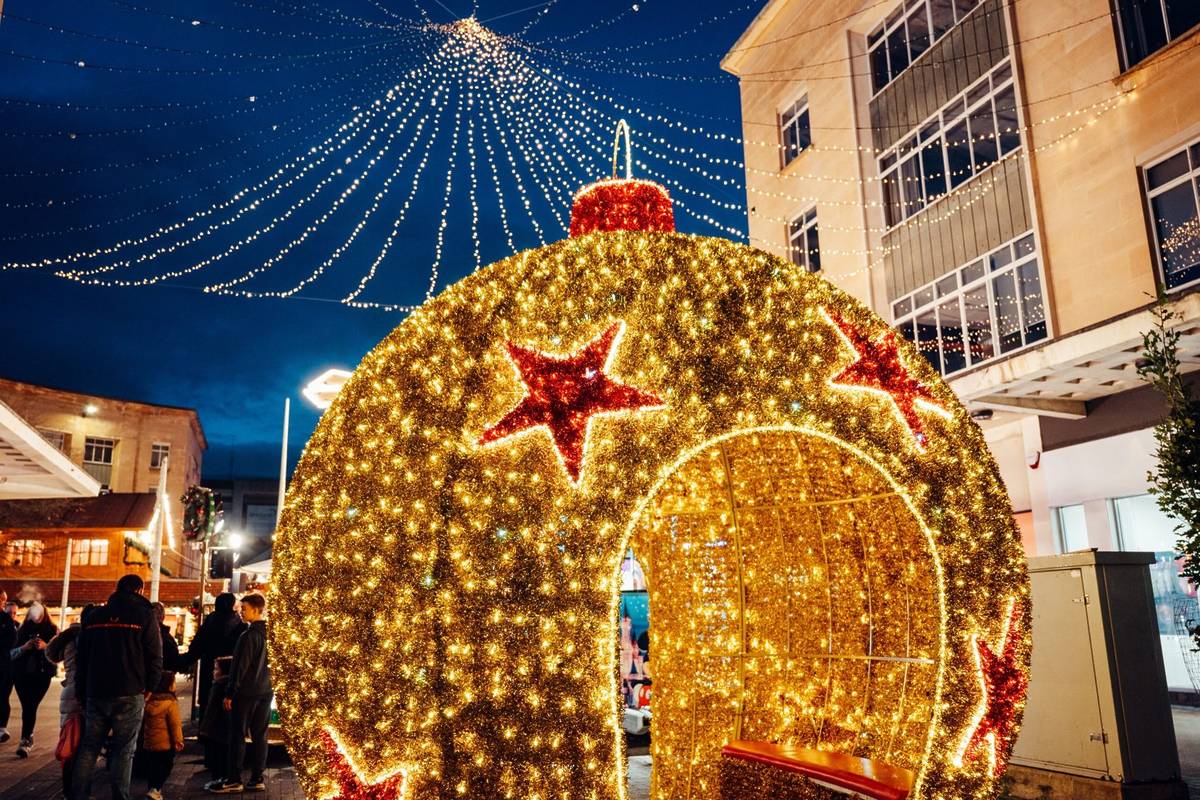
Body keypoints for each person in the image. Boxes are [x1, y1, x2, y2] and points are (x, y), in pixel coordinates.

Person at [72, 574, 162, 800]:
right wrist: (150, 687)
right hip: (130, 691)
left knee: (89, 747)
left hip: (96, 690)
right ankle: (120, 797)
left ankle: (78, 795)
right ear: (140, 591)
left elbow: (82, 658)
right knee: (124, 751)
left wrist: (81, 691)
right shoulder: (144, 615)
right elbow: (155, 656)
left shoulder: (94, 616)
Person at [205, 593, 270, 794]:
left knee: (237, 735)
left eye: (245, 608)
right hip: (265, 691)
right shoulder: (271, 634)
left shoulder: (248, 635)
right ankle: (257, 778)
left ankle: (234, 779)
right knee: (260, 735)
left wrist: (230, 693)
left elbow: (239, 667)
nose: (241, 612)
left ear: (256, 609)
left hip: (245, 692)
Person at [46, 605, 92, 798]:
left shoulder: (69, 637)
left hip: (69, 693)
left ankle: (68, 792)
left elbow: (50, 653)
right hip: (88, 695)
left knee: (69, 745)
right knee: (86, 748)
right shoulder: (93, 637)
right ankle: (81, 792)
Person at [182, 593, 245, 721]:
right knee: (227, 707)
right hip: (231, 671)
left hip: (209, 667)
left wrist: (183, 662)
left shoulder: (210, 621)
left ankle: (206, 733)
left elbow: (197, 646)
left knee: (208, 703)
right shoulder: (240, 623)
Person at [10, 601, 58, 757]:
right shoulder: (21, 630)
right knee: (27, 705)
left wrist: (45, 646)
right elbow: (10, 653)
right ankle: (26, 738)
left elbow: (59, 655)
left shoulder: (52, 630)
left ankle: (26, 739)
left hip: (42, 675)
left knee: (31, 705)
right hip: (21, 674)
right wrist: (25, 647)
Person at [141, 674, 183, 800]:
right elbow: (175, 724)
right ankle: (156, 789)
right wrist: (178, 740)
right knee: (167, 766)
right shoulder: (170, 703)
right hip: (166, 745)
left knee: (152, 768)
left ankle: (152, 790)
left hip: (150, 743)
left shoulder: (148, 701)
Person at [0, 591, 15, 744]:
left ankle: (2, 728)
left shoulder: (6, 619)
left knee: (2, 697)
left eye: (5, 599)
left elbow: (11, 640)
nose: (3, 602)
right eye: (2, 599)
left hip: (3, 666)